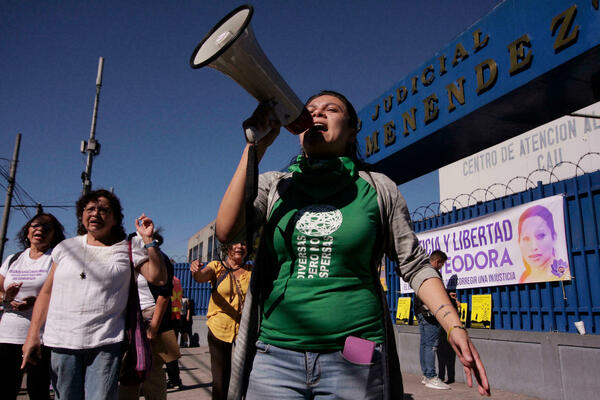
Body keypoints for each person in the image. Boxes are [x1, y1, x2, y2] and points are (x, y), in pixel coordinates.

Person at [216, 91, 491, 399]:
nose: (317, 115)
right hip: (275, 355)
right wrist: (254, 146)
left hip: (356, 351)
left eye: (330, 110)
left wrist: (454, 326)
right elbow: (228, 231)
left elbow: (413, 264)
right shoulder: (276, 185)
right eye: (309, 112)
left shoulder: (377, 187)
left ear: (351, 131)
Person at [22, 189, 167, 400]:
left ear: (115, 218)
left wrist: (149, 241)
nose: (96, 214)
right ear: (82, 214)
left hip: (105, 344)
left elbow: (159, 278)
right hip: (62, 342)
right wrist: (33, 335)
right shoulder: (65, 247)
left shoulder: (127, 248)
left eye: (104, 210)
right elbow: (46, 293)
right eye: (90, 209)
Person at [0, 213, 65, 400]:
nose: (40, 230)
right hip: (7, 334)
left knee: (37, 389)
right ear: (27, 230)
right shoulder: (13, 258)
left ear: (54, 235)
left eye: (47, 228)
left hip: (42, 336)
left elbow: (62, 292)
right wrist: (7, 297)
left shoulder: (55, 259)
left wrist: (36, 302)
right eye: (36, 225)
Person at [119, 232, 180, 400]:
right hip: (128, 317)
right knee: (127, 373)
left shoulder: (161, 260)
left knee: (152, 373)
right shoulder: (128, 260)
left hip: (150, 315)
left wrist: (153, 328)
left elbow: (165, 294)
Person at [190, 241, 252, 400]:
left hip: (244, 331)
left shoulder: (251, 270)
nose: (239, 247)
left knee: (245, 376)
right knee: (220, 380)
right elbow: (201, 276)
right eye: (235, 243)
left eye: (243, 244)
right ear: (228, 247)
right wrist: (196, 271)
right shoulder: (217, 266)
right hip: (219, 329)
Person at [414, 250, 450, 390]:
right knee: (431, 345)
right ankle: (431, 376)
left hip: (420, 311)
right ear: (437, 262)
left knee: (424, 344)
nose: (441, 267)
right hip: (430, 313)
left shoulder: (421, 271)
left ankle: (426, 374)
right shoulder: (432, 273)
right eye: (441, 264)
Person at [518, 204, 570, 283]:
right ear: (519, 242)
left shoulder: (566, 273)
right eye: (526, 238)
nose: (534, 246)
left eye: (540, 236)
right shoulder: (522, 279)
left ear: (554, 237)